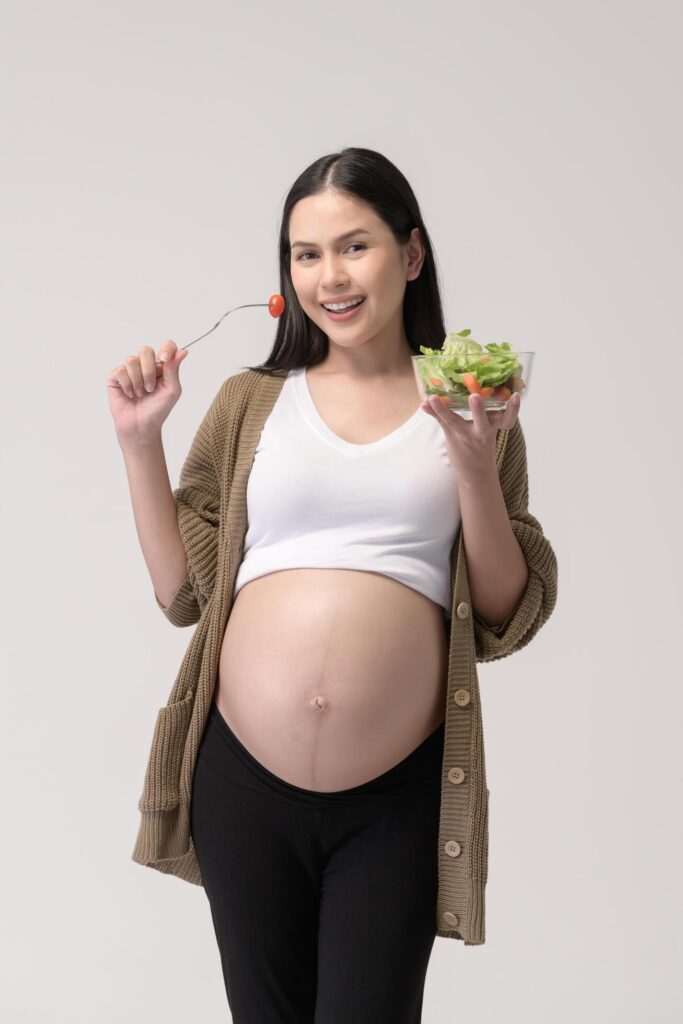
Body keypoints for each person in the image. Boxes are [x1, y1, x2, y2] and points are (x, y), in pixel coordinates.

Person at [108, 147, 558, 1023]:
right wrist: (138, 442)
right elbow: (182, 595)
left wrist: (472, 461)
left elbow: (503, 616)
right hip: (241, 785)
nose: (328, 276)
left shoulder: (472, 404)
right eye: (304, 253)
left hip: (395, 795)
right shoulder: (249, 401)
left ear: (412, 254)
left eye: (353, 247)